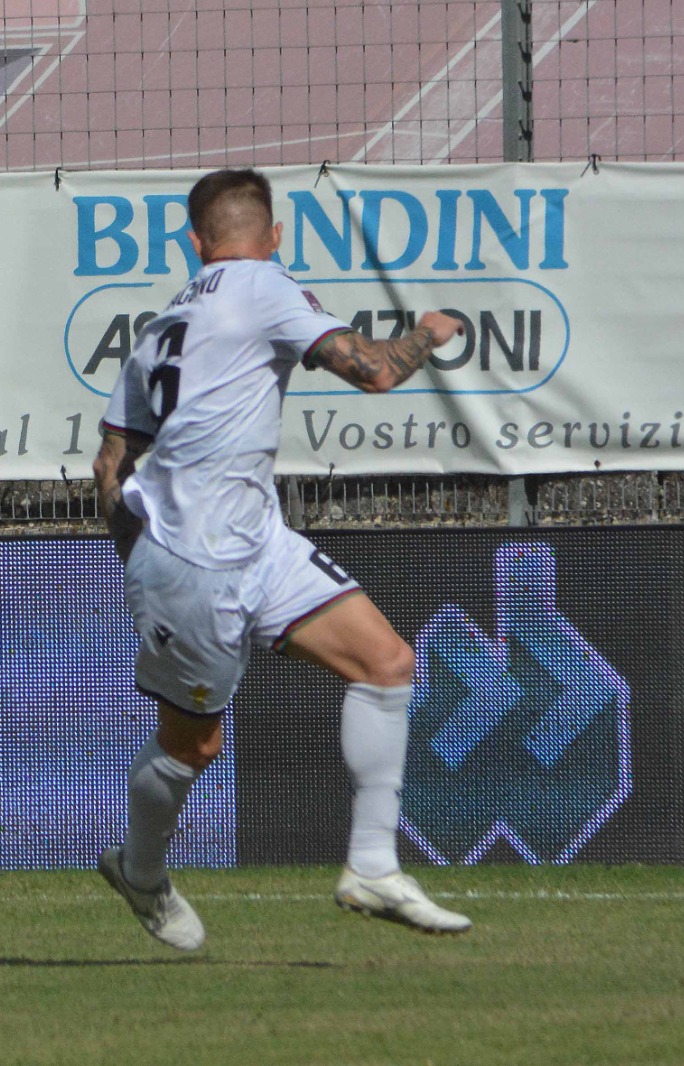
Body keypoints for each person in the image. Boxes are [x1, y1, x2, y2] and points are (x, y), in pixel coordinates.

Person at [91, 168, 471, 950]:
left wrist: (130, 544)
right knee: (194, 746)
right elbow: (376, 372)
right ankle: (141, 870)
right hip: (194, 561)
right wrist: (431, 331)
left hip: (256, 541)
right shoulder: (266, 286)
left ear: (194, 243)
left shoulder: (161, 325)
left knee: (387, 662)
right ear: (274, 238)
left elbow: (108, 465)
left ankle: (370, 863)